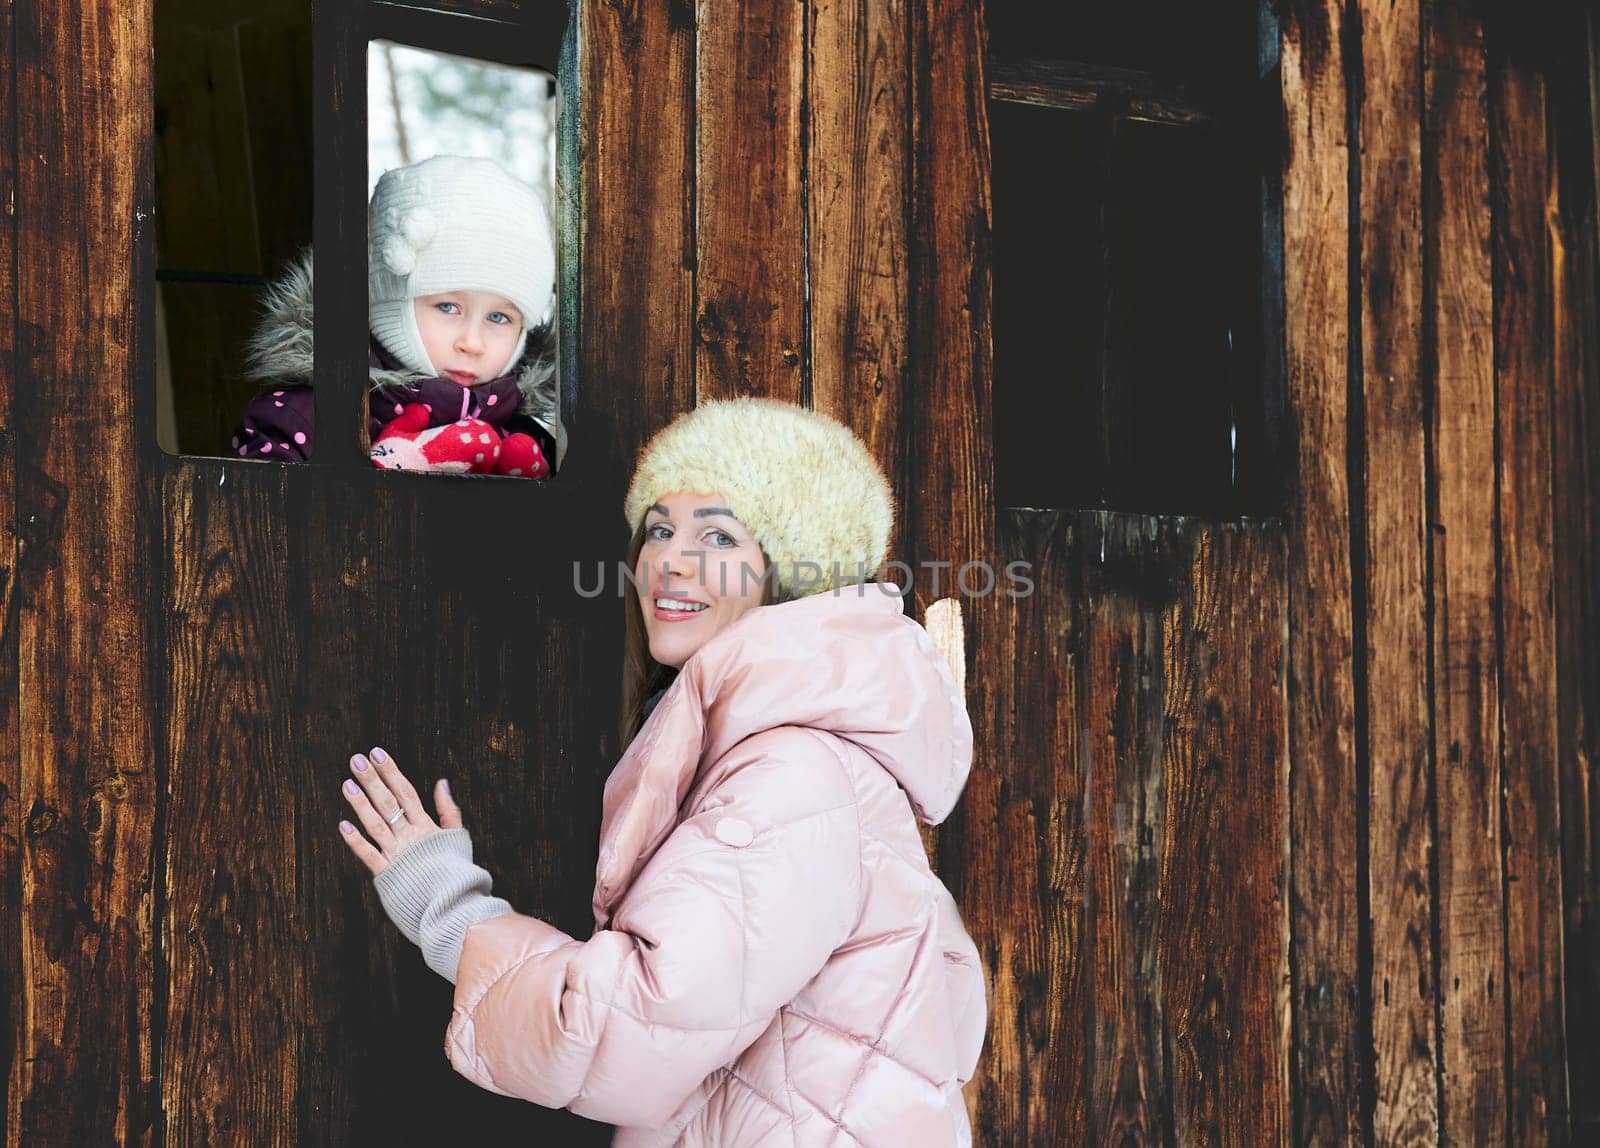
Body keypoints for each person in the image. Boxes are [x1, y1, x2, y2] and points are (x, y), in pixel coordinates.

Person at [336, 398, 987, 1145]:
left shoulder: (792, 775)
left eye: (716, 534)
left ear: (792, 570)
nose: (670, 560)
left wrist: (448, 911)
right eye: (659, 529)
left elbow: (631, 1032)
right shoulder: (780, 749)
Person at [229, 154, 565, 476]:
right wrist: (384, 479)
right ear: (389, 305)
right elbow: (256, 527)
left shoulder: (531, 441)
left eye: (499, 318)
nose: (472, 343)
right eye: (448, 307)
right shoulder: (303, 420)